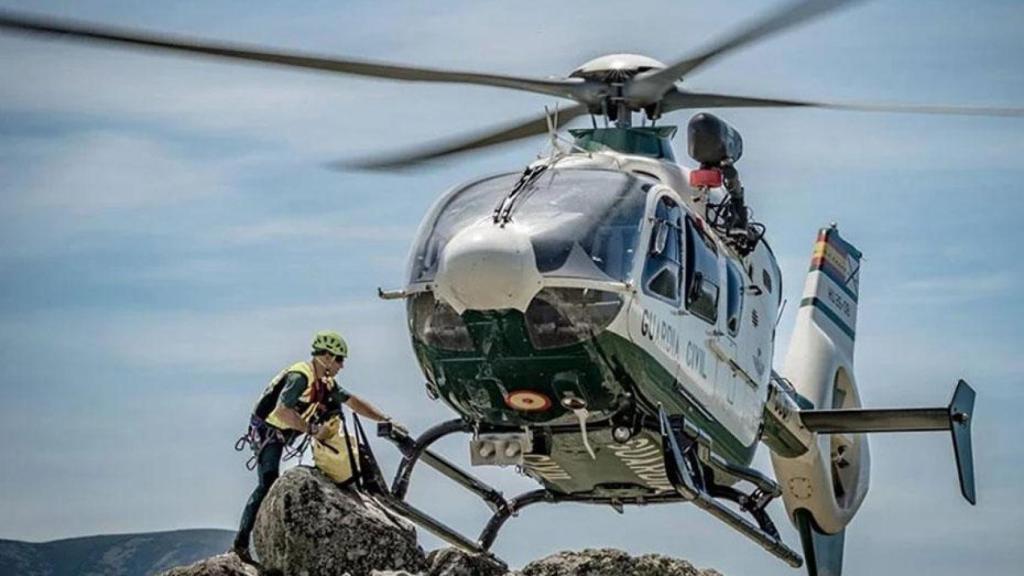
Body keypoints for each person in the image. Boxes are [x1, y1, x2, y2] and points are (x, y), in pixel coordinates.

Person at [232, 330, 398, 564]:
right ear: (327, 357)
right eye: (339, 359)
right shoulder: (301, 376)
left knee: (332, 415)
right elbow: (282, 411)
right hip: (267, 431)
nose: (342, 365)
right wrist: (311, 430)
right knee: (267, 482)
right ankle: (240, 545)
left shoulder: (325, 383)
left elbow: (353, 402)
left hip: (284, 430)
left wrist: (384, 418)